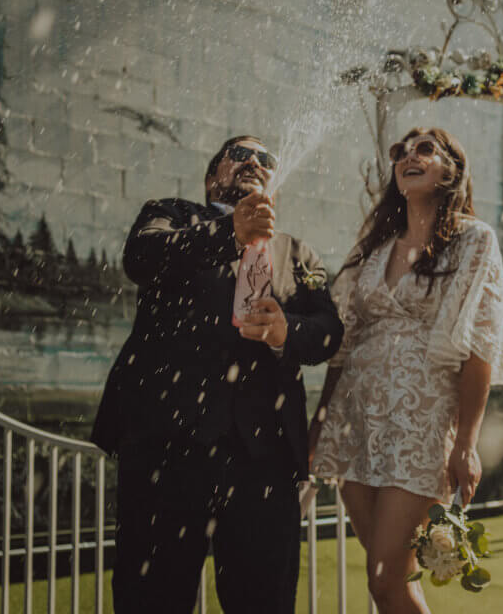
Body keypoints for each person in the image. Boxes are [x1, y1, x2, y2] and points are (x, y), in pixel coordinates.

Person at [90, 135, 344, 613]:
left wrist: (286, 331)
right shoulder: (172, 215)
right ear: (212, 178)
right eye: (240, 154)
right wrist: (230, 232)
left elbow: (329, 330)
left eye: (265, 160)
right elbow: (140, 258)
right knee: (151, 598)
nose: (254, 162)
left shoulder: (297, 253)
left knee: (263, 601)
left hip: (263, 461)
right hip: (166, 448)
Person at [309, 127, 503, 613]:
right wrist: (320, 422)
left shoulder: (473, 241)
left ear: (452, 170)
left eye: (426, 149)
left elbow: (480, 346)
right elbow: (343, 344)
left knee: (385, 579)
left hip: (420, 421)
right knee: (388, 578)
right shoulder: (373, 250)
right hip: (355, 419)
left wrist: (465, 443)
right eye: (402, 151)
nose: (409, 157)